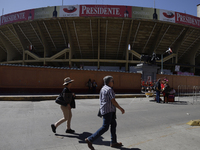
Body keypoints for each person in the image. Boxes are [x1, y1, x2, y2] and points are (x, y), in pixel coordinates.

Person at [85, 76, 125, 150]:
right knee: (105, 127)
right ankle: (90, 139)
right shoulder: (109, 89)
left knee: (113, 124)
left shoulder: (103, 88)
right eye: (112, 81)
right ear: (109, 82)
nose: (113, 82)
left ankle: (113, 142)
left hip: (107, 110)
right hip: (108, 111)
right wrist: (120, 108)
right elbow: (113, 101)